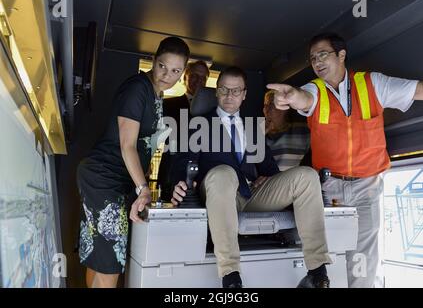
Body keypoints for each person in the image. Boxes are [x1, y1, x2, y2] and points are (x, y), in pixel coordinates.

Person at [268, 32, 423, 288]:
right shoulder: (313, 89)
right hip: (328, 189)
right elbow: (303, 98)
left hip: (367, 189)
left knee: (364, 260)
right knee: (327, 257)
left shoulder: (373, 84)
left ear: (341, 55)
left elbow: (416, 90)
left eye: (323, 54)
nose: (316, 61)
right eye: (312, 58)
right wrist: (290, 96)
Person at [171, 66, 332, 288]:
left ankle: (317, 271)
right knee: (223, 173)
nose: (230, 96)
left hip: (251, 194)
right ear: (217, 91)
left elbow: (269, 169)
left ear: (244, 94)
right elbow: (182, 161)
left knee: (306, 176)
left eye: (236, 91)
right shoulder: (197, 125)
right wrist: (180, 181)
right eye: (224, 89)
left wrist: (268, 178)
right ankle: (231, 277)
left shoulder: (252, 128)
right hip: (218, 192)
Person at [76, 36, 190, 288]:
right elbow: (127, 145)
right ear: (153, 60)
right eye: (162, 66)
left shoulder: (157, 95)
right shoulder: (138, 87)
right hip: (105, 177)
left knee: (99, 256)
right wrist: (143, 190)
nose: (167, 75)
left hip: (111, 178)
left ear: (182, 73)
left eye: (175, 71)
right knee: (111, 261)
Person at [157, 61, 210, 200]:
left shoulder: (213, 111)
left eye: (202, 77)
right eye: (194, 76)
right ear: (184, 77)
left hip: (203, 176)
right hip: (172, 173)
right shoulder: (167, 105)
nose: (198, 80)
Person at [263, 90, 310, 171]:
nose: (267, 109)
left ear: (284, 108)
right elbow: (247, 164)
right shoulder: (254, 129)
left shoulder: (301, 131)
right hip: (262, 181)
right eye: (265, 105)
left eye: (271, 104)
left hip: (289, 179)